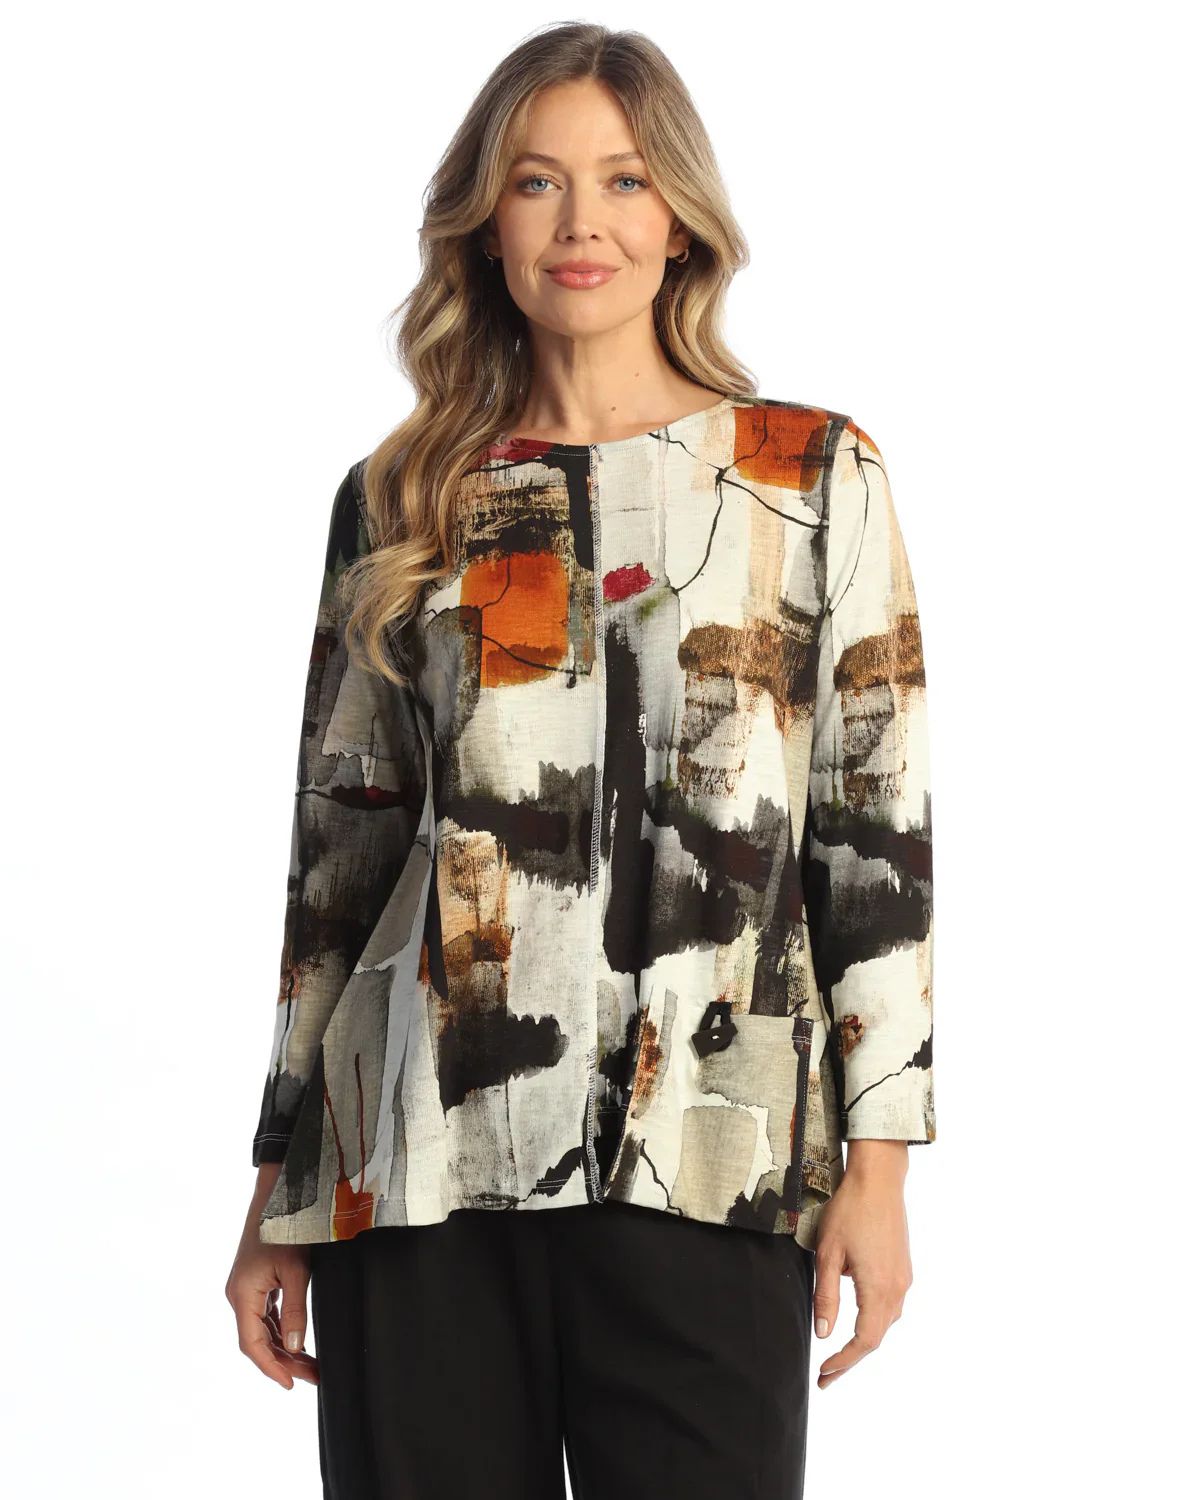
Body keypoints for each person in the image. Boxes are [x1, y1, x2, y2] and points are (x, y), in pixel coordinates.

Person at [225, 21, 936, 1500]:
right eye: (536, 182)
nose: (581, 223)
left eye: (623, 180)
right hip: (416, 1162)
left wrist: (880, 1165)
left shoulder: (810, 475)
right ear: (486, 224)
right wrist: (277, 1190)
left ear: (680, 219)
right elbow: (338, 862)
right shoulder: (406, 496)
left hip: (711, 1155)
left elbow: (874, 838)